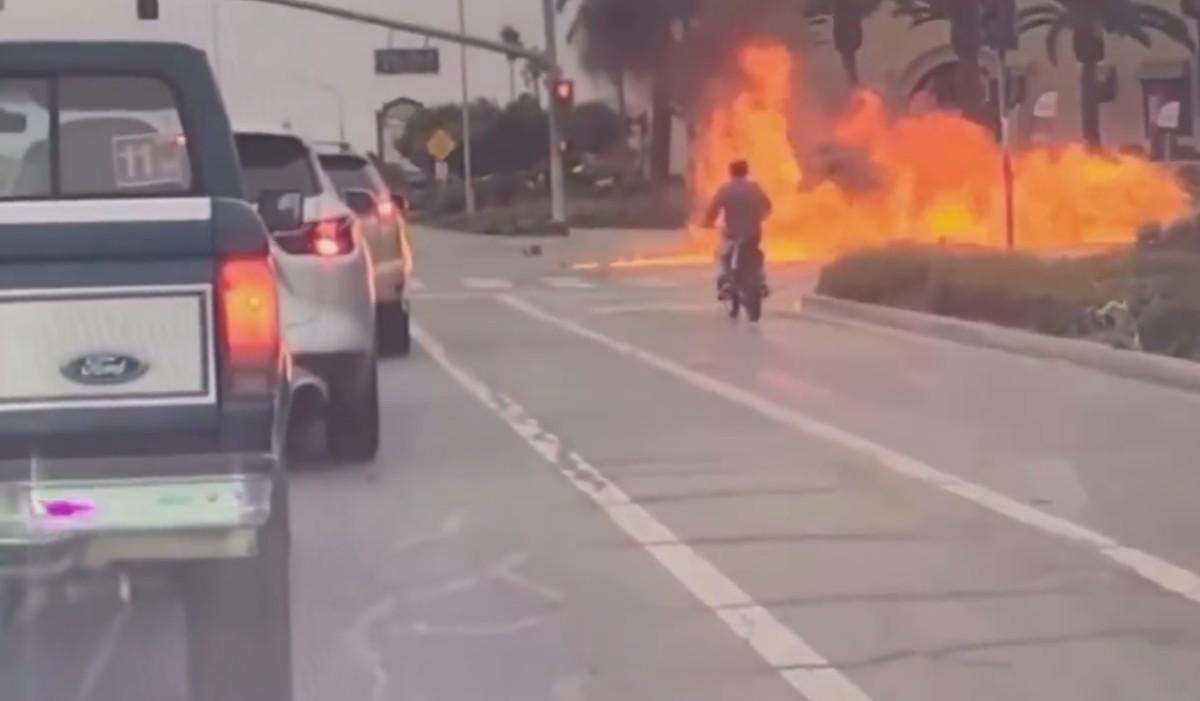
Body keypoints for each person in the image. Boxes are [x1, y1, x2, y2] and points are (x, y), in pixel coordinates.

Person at [703, 160, 772, 299]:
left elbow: (713, 209)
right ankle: (761, 281)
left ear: (731, 172)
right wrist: (761, 217)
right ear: (746, 172)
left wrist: (708, 222)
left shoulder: (726, 190)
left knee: (723, 255)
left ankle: (727, 282)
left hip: (733, 235)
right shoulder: (756, 188)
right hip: (754, 234)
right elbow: (768, 207)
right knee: (757, 255)